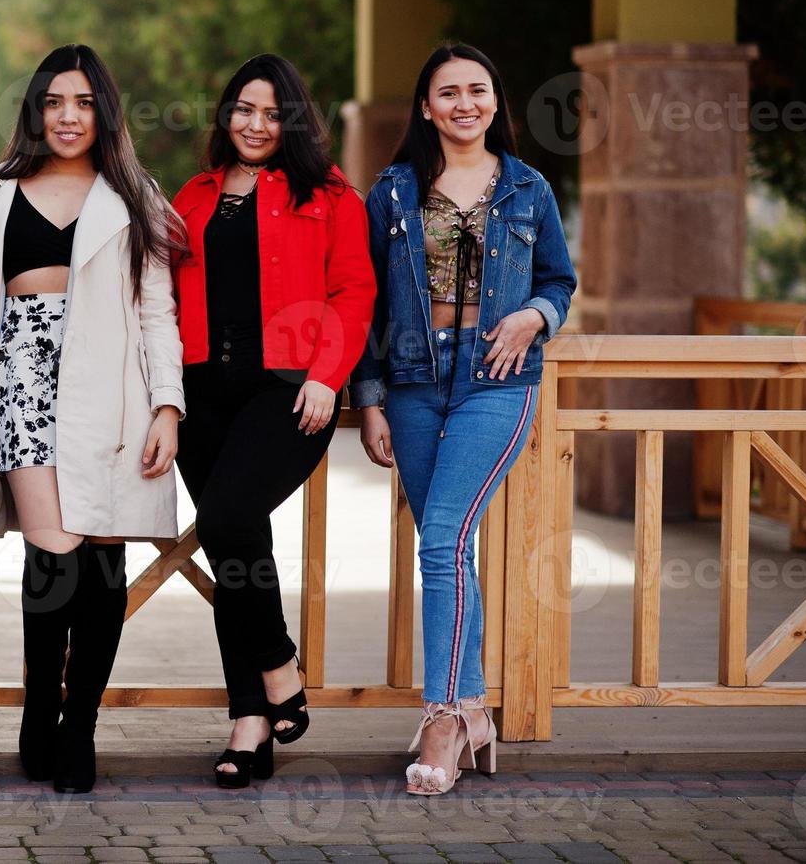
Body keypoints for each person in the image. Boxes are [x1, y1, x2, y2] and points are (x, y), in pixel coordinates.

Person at [0, 44, 185, 794]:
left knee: (102, 563)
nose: (68, 116)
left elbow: (156, 312)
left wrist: (167, 406)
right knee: (51, 559)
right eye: (54, 102)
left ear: (102, 112)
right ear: (35, 111)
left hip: (112, 393)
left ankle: (77, 725)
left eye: (82, 103)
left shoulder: (132, 194)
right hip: (22, 387)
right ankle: (36, 710)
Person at [350, 43, 577, 796]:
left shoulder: (527, 187)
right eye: (446, 92)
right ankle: (473, 712)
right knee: (451, 546)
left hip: (495, 378)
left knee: (441, 538)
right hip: (414, 379)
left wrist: (534, 318)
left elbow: (558, 280)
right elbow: (369, 307)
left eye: (476, 90)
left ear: (493, 102)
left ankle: (442, 717)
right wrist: (370, 398)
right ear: (424, 107)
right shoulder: (390, 193)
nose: (463, 103)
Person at [170, 54, 376, 788]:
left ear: (292, 121)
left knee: (227, 519)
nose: (255, 125)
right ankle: (250, 723)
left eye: (271, 113)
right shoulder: (190, 196)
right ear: (225, 115)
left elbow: (353, 293)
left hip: (288, 392)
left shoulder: (327, 195)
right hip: (200, 393)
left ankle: (280, 667)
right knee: (236, 549)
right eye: (243, 110)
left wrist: (328, 377)